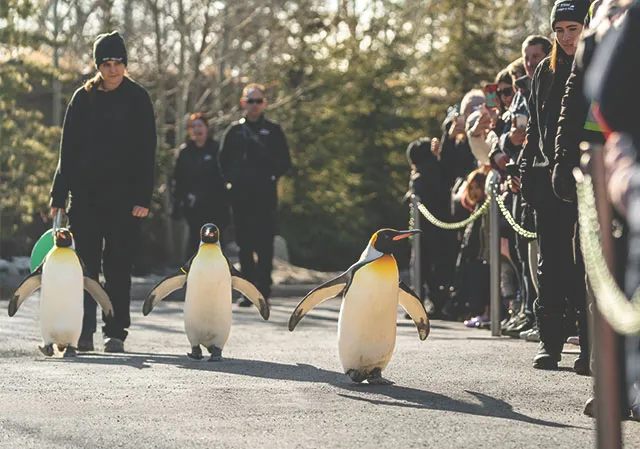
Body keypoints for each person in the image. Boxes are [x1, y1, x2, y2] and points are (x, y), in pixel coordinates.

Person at [49, 31, 157, 353]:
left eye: (118, 63)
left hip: (124, 199)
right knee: (85, 267)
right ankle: (84, 331)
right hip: (86, 197)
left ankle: (116, 331)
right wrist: (59, 197)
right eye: (106, 63)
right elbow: (67, 151)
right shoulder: (83, 98)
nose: (112, 70)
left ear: (125, 63)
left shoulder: (138, 98)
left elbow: (147, 150)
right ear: (97, 65)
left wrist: (143, 196)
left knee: (118, 266)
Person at [518, 0, 590, 370]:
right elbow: (534, 125)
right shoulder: (544, 73)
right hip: (548, 180)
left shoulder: (597, 65)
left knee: (586, 262)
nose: (565, 37)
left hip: (589, 176)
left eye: (572, 29)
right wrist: (527, 167)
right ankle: (550, 342)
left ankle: (590, 347)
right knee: (551, 263)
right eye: (559, 30)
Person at [219, 83, 291, 304]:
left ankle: (264, 291)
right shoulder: (234, 131)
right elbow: (222, 161)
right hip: (241, 197)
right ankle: (247, 292)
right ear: (243, 103)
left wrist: (271, 177)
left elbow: (285, 161)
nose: (254, 105)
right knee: (245, 246)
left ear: (264, 103)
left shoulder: (273, 130)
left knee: (265, 245)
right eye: (250, 101)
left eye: (258, 101)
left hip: (265, 197)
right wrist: (232, 181)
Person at [172, 113, 230, 258]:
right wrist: (178, 204)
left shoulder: (217, 149)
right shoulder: (185, 152)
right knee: (194, 243)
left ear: (207, 128)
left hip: (215, 206)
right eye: (193, 126)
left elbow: (223, 177)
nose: (197, 129)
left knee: (215, 242)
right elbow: (178, 179)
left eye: (200, 126)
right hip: (193, 207)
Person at [405, 135, 449, 314]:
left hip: (424, 229)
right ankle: (437, 301)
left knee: (421, 265)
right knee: (436, 266)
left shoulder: (420, 177)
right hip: (441, 226)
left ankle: (420, 301)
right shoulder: (439, 169)